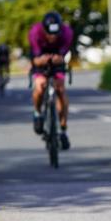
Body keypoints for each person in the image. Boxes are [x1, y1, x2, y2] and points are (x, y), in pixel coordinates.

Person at [29, 11, 74, 150]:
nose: (52, 37)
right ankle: (37, 113)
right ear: (43, 29)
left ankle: (63, 129)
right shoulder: (35, 32)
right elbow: (35, 58)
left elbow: (65, 54)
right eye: (49, 34)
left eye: (56, 34)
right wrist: (40, 60)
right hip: (40, 59)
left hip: (58, 60)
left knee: (60, 89)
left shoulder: (67, 33)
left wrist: (60, 57)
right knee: (40, 85)